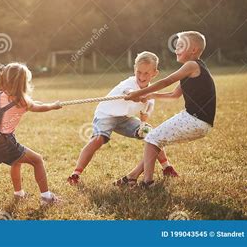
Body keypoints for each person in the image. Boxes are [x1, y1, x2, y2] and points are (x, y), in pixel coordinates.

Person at [67, 51, 178, 186]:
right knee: (98, 139)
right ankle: (75, 174)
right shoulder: (129, 83)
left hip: (125, 118)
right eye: (139, 72)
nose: (141, 77)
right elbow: (128, 92)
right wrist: (135, 95)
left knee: (152, 134)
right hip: (106, 115)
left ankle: (166, 167)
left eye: (146, 73)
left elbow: (145, 113)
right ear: (134, 70)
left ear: (154, 73)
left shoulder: (151, 93)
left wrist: (143, 125)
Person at [123, 32, 216, 188]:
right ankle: (131, 177)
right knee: (155, 140)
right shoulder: (191, 68)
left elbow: (167, 81)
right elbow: (174, 95)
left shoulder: (192, 65)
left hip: (195, 120)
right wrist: (150, 95)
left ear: (193, 50)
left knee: (152, 138)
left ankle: (148, 183)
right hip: (198, 122)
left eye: (180, 46)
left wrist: (138, 93)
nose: (176, 49)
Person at [0, 63, 62, 205]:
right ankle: (47, 197)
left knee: (16, 161)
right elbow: (39, 107)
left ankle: (19, 194)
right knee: (37, 160)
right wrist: (53, 106)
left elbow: (32, 103)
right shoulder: (22, 102)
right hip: (5, 142)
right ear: (23, 83)